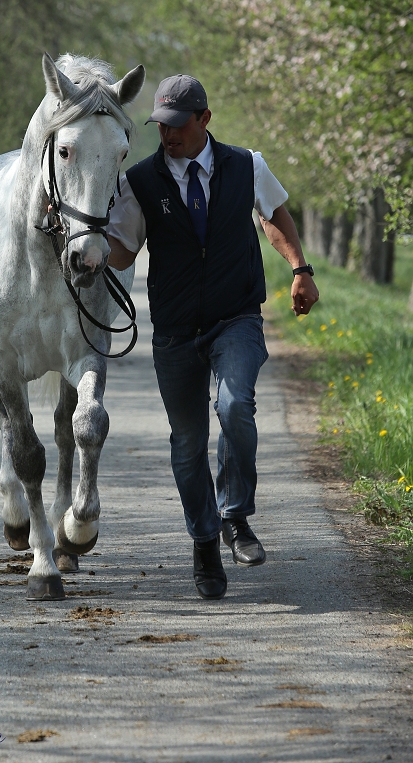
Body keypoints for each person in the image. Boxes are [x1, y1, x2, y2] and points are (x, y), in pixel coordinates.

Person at [107, 74, 319, 600]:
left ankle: (235, 516)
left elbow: (273, 216)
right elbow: (121, 251)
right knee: (186, 442)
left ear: (204, 120)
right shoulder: (141, 182)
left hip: (236, 317)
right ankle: (204, 545)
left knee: (235, 406)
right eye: (161, 126)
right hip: (176, 329)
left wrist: (300, 268)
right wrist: (80, 247)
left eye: (179, 125)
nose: (169, 135)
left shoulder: (246, 164)